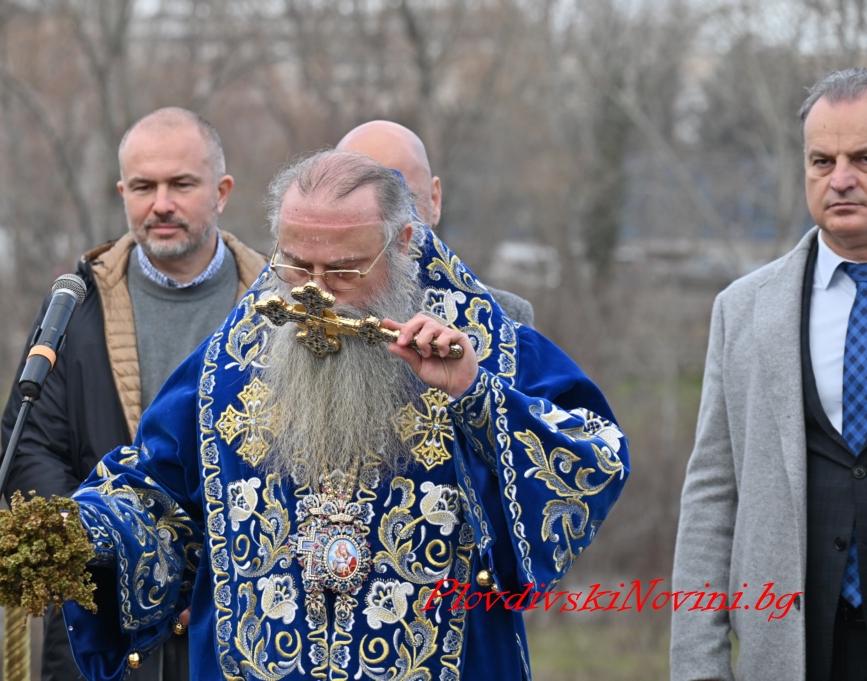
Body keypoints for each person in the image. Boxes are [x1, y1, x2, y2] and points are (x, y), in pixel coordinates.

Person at [59, 149, 629, 680]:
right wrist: (85, 531)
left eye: (343, 271)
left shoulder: (488, 347)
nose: (314, 296)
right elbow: (156, 492)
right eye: (296, 266)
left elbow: (596, 457)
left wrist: (475, 395)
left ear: (403, 242)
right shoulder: (227, 365)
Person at [0, 107, 265, 681]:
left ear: (221, 191)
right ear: (123, 192)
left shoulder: (273, 309)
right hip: (102, 630)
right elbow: (29, 451)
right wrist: (117, 558)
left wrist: (212, 582)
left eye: (181, 184)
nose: (160, 203)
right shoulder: (75, 302)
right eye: (144, 186)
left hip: (236, 626)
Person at [671, 67, 867, 680]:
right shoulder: (743, 310)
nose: (841, 179)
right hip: (792, 651)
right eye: (822, 160)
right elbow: (712, 493)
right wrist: (698, 665)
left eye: (863, 157)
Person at [337, 119, 535, 327]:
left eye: (403, 200)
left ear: (435, 200)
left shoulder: (503, 318)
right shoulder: (308, 304)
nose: (385, 226)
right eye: (357, 206)